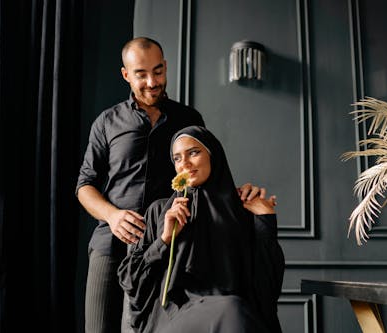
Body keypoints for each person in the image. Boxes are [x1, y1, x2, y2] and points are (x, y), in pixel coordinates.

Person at [76, 37, 268, 333]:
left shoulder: (189, 118)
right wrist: (113, 216)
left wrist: (239, 194)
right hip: (112, 241)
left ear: (165, 67)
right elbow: (84, 186)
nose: (152, 82)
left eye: (158, 71)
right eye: (141, 74)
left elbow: (206, 170)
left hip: (170, 242)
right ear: (126, 75)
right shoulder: (106, 122)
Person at [118, 125, 285, 333]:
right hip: (174, 315)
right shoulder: (160, 211)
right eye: (177, 158)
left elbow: (267, 287)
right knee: (231, 310)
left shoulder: (241, 209)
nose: (184, 164)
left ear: (213, 155)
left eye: (193, 153)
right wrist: (164, 240)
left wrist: (266, 221)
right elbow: (130, 280)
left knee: (233, 310)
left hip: (236, 313)